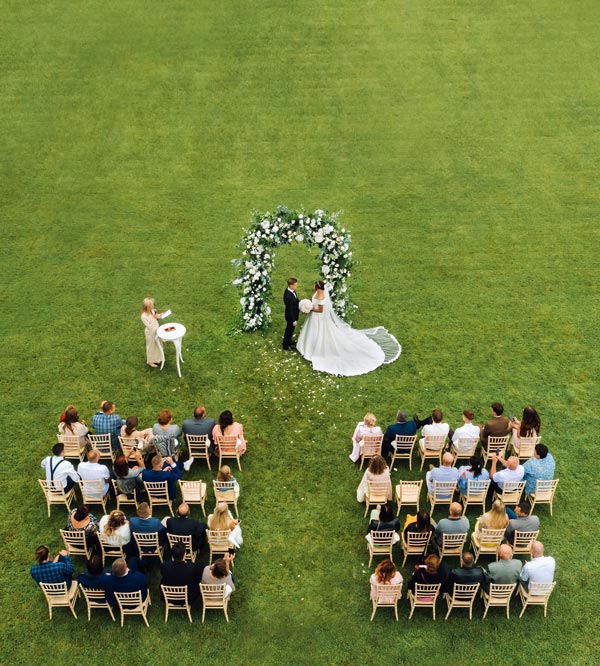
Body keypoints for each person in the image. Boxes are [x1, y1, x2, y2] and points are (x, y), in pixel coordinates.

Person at [296, 280, 401, 376]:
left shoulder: (322, 297)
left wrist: (310, 309)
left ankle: (314, 350)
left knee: (320, 333)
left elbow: (320, 310)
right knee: (312, 332)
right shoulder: (317, 293)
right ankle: (308, 346)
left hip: (319, 317)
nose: (313, 286)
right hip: (314, 318)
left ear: (318, 287)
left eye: (314, 285)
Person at [182, 406, 217, 471]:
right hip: (207, 448)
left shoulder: (186, 423)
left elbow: (184, 433)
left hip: (192, 447)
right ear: (203, 414)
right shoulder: (211, 422)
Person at [141, 297, 164, 367]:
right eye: (151, 305)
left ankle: (158, 358)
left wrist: (160, 315)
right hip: (150, 333)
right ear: (147, 307)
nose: (153, 306)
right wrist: (154, 318)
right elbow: (149, 326)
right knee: (151, 346)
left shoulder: (152, 311)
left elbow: (156, 317)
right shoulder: (143, 316)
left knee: (158, 344)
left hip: (157, 329)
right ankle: (150, 361)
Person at [282, 277, 300, 350]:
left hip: (293, 314)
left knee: (291, 330)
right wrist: (293, 320)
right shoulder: (288, 296)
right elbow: (290, 310)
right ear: (291, 285)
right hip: (290, 316)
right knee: (289, 330)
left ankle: (289, 341)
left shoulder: (292, 291)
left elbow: (296, 299)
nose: (297, 286)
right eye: (295, 285)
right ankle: (285, 345)